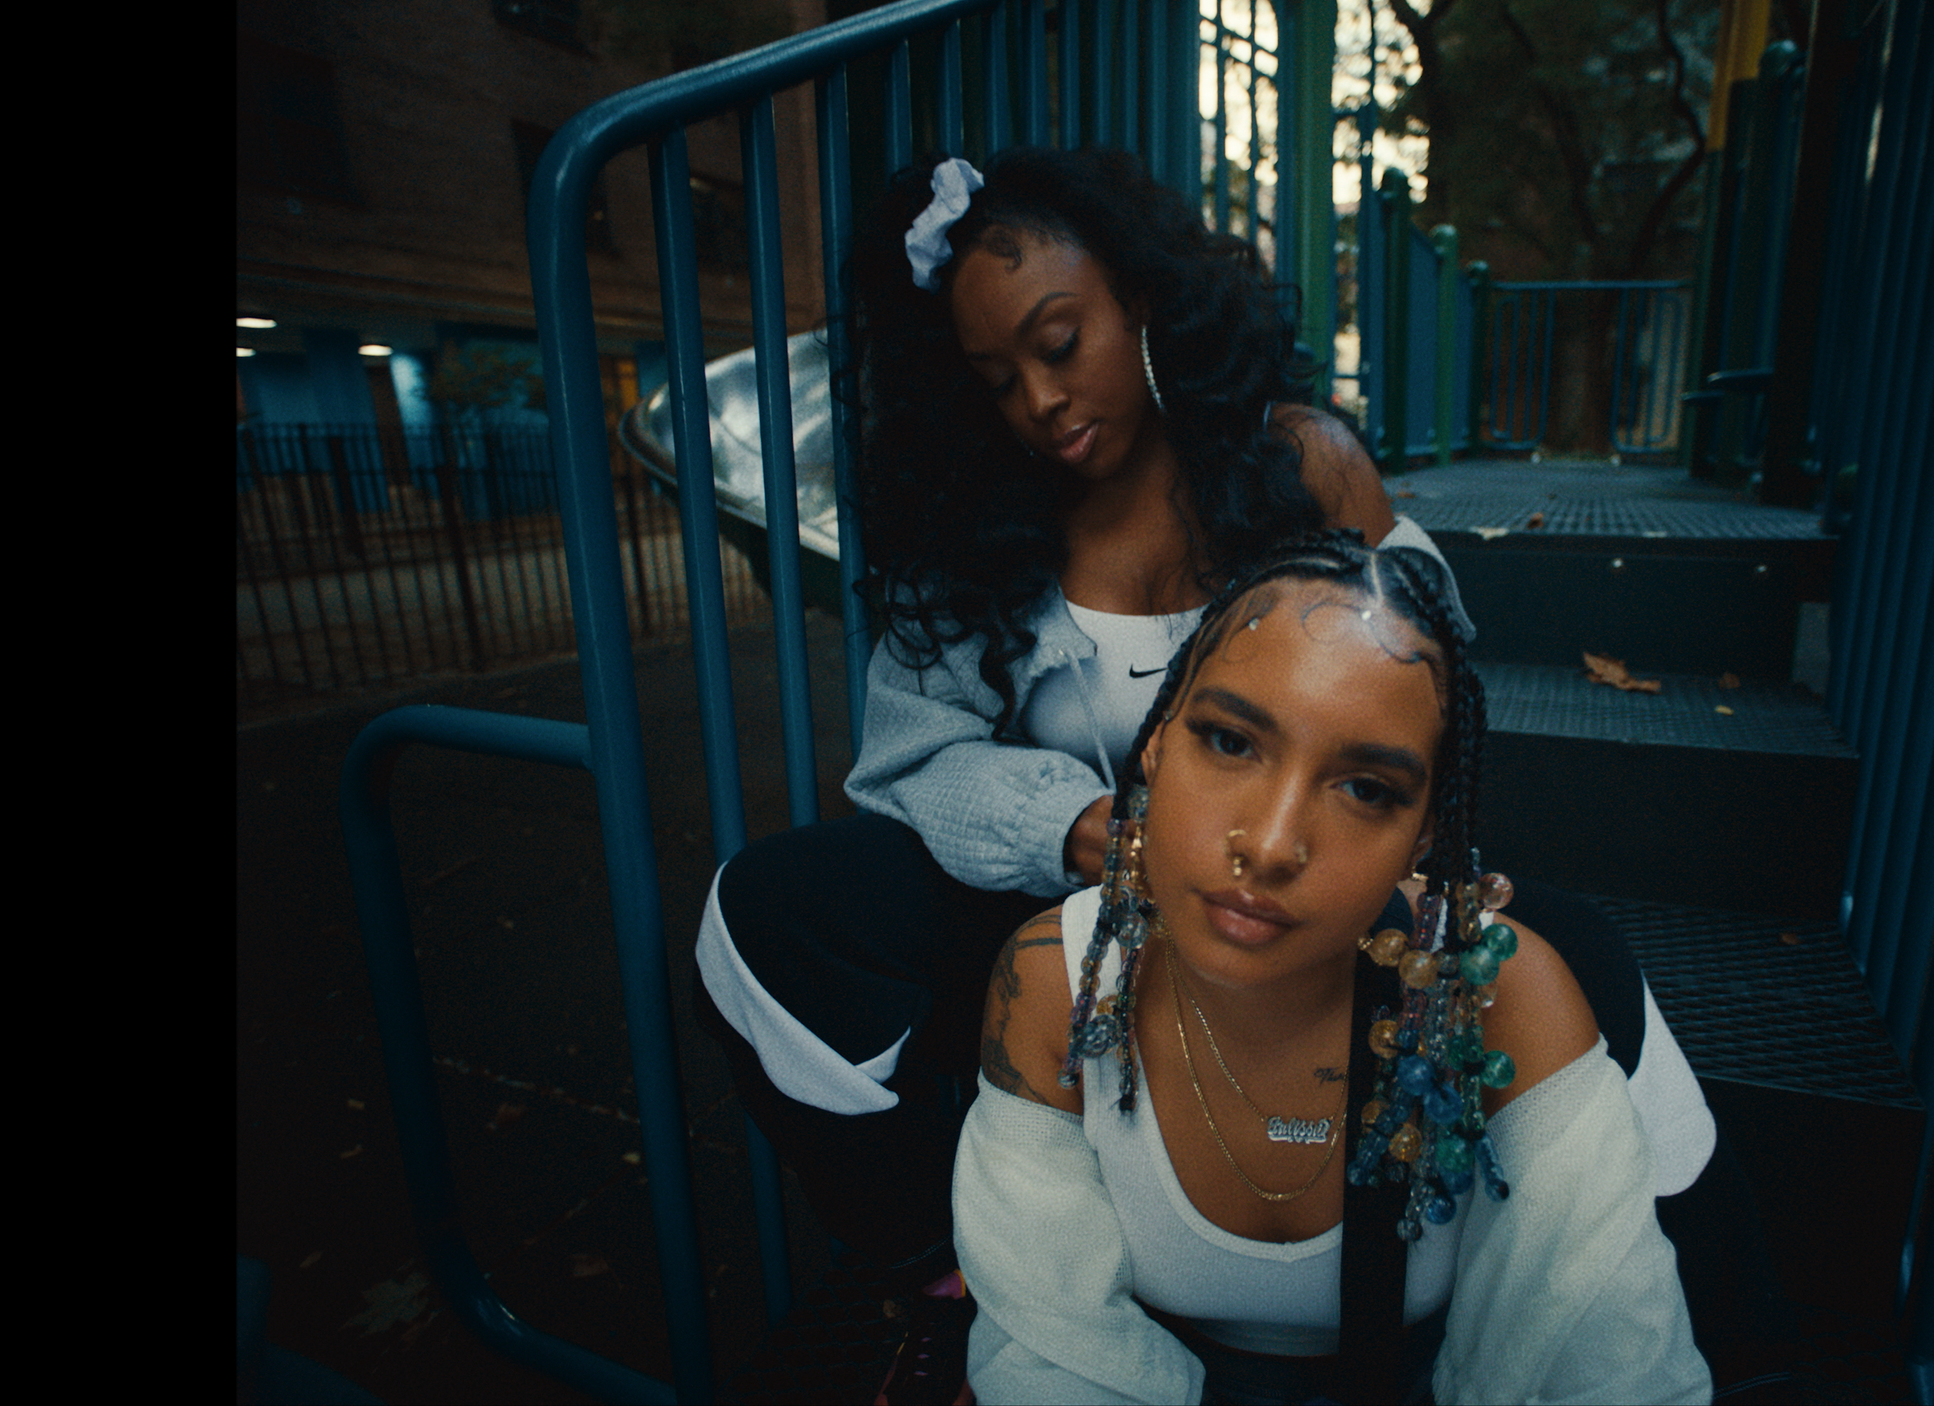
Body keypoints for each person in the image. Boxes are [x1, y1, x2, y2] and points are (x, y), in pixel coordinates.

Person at [693, 146, 1711, 1278]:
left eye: (1058, 342)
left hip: (1303, 902)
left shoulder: (1297, 463)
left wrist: (1379, 852)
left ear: (1138, 297)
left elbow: (1436, 689)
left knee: (1582, 959)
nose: (1037, 399)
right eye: (995, 376)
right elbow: (907, 760)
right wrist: (1075, 827)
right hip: (1090, 919)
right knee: (761, 912)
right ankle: (945, 1257)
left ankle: (1697, 1308)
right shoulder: (971, 531)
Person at [958, 533, 1711, 1404]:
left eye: (1367, 790)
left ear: (1423, 838)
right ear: (1158, 743)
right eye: (1231, 742)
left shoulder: (1500, 998)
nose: (1273, 845)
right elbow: (1046, 1355)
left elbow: (1616, 1371)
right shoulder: (1057, 979)